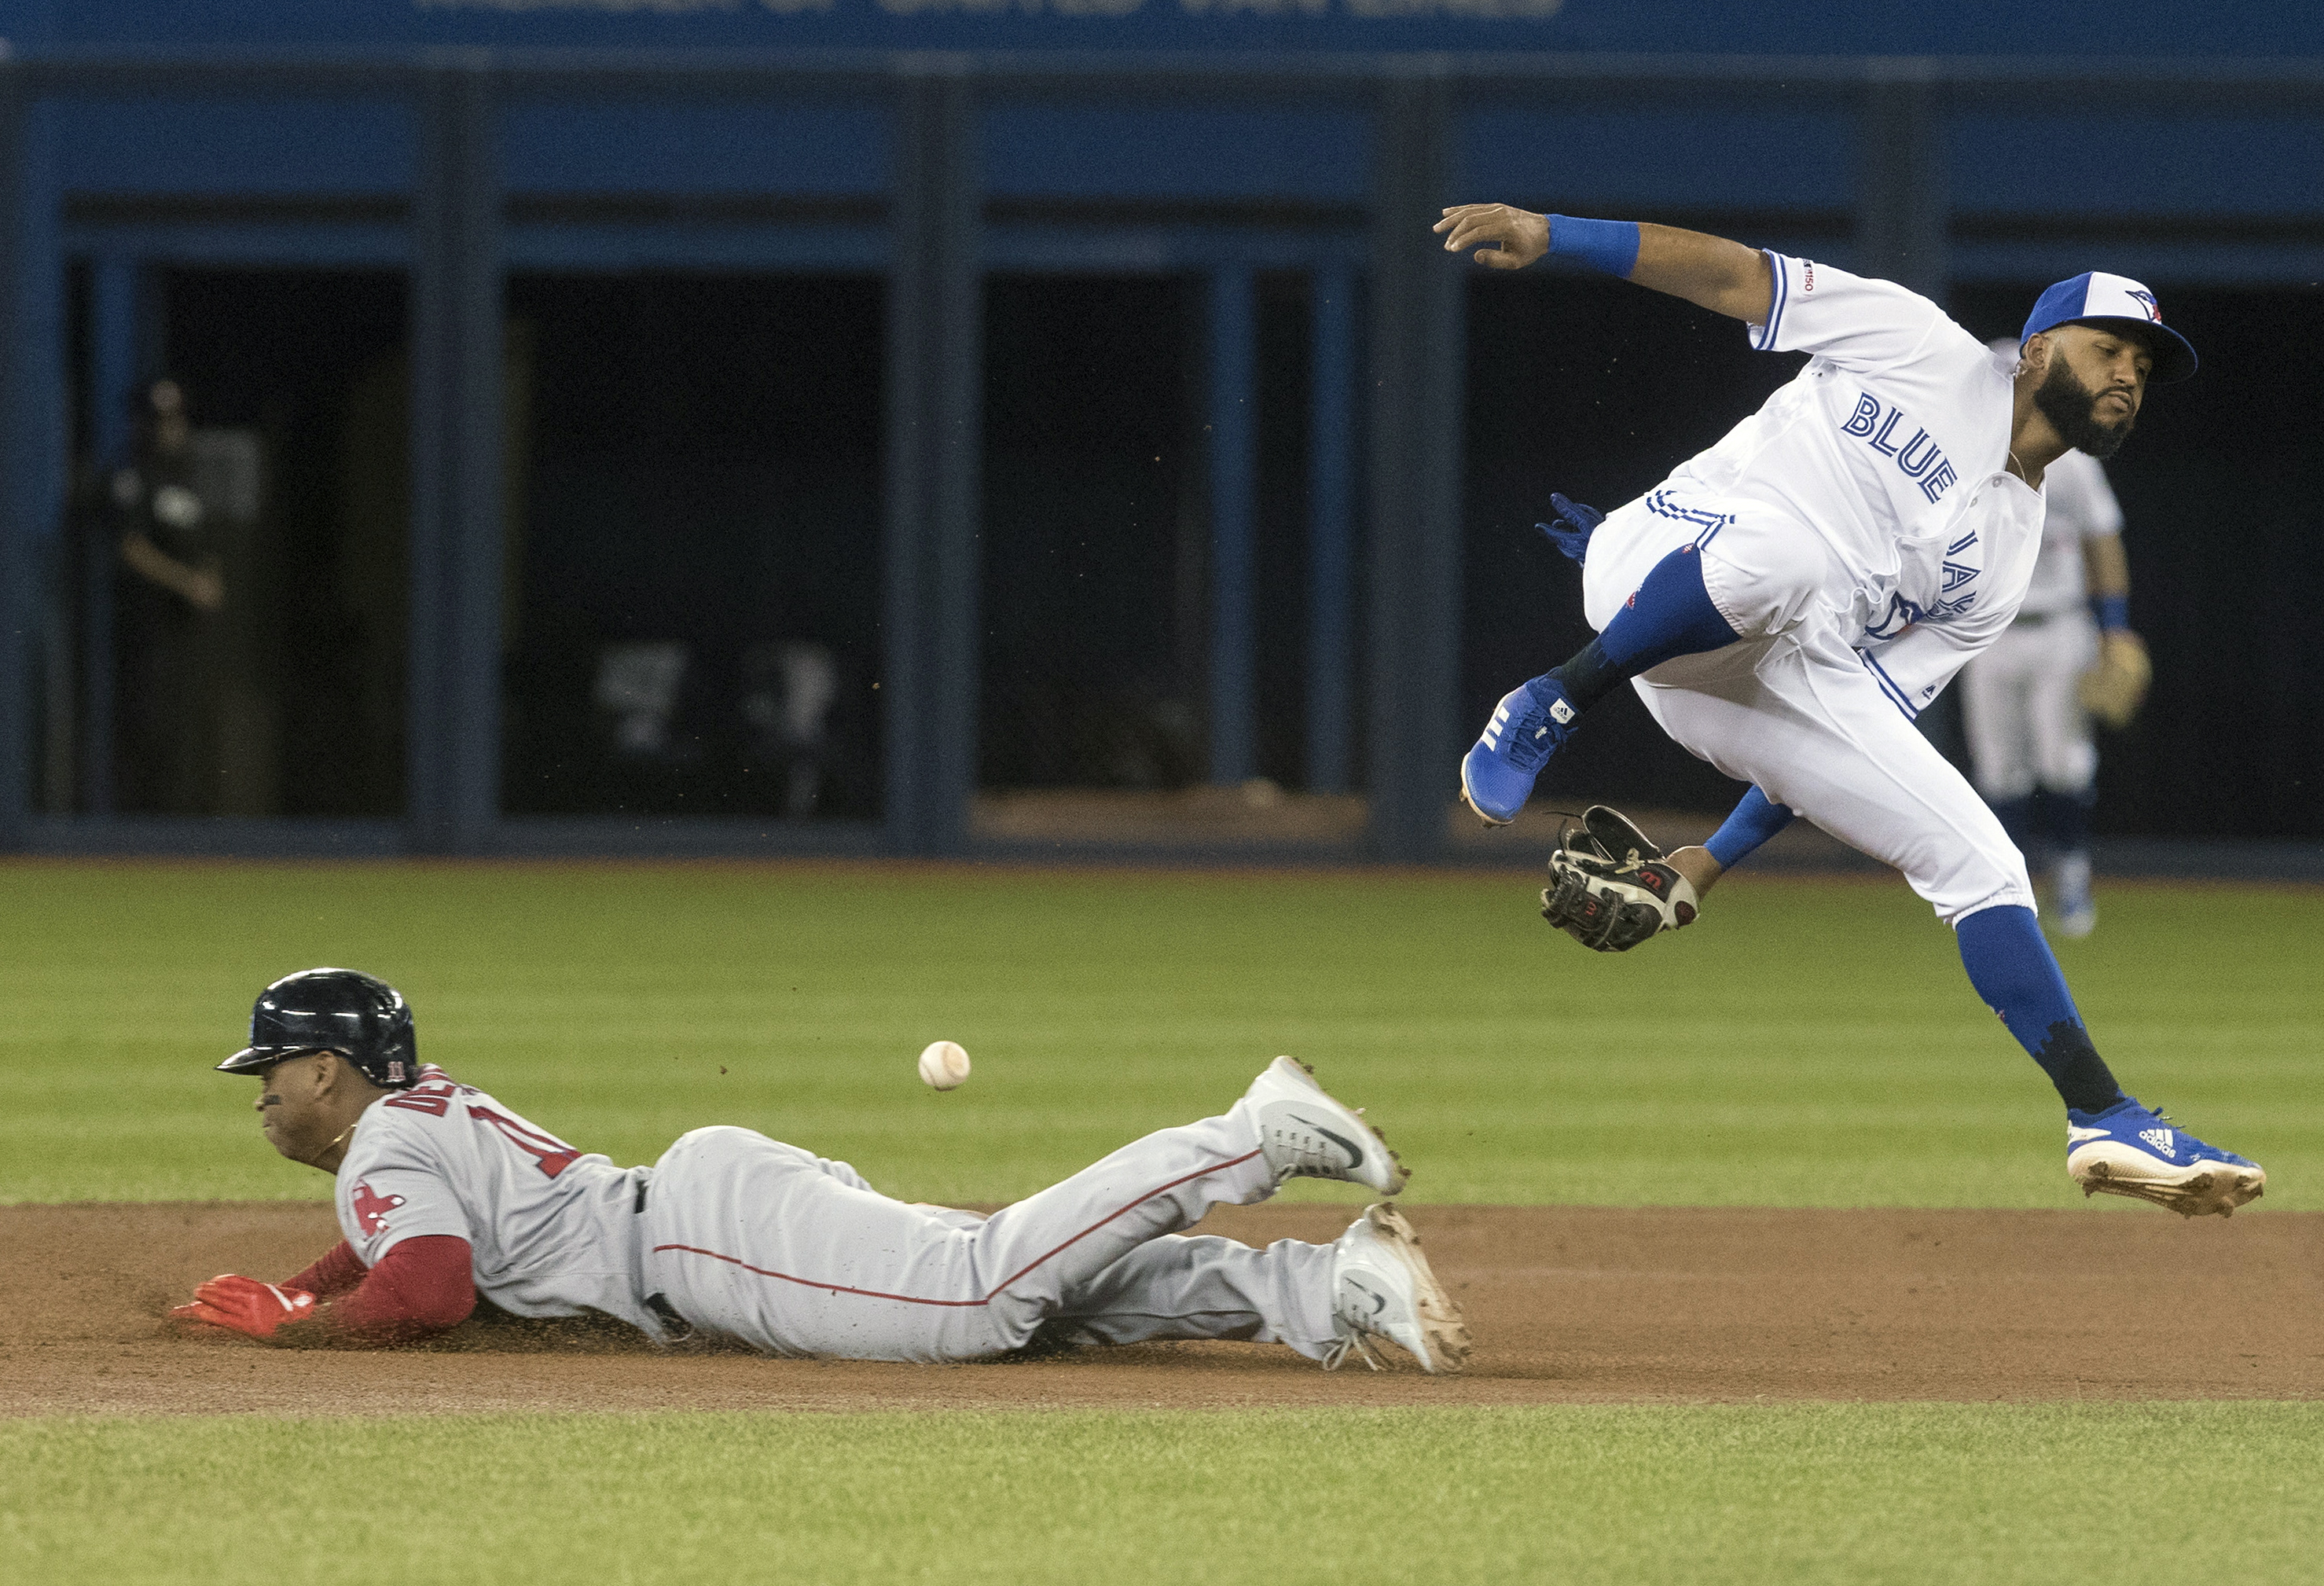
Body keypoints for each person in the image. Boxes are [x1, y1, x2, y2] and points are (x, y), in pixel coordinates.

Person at [1435, 203, 2260, 1217]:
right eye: (2108, 347)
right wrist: (1553, 234)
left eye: (2141, 365)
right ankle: (1550, 699)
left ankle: (2101, 1114)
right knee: (1786, 561)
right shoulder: (1919, 343)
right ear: (2039, 346)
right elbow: (1736, 277)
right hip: (1659, 557)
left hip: (1749, 673)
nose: (2127, 373)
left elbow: (1862, 719)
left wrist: (1708, 861)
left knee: (1982, 859)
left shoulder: (2005, 560)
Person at [170, 968, 1470, 1371]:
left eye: (272, 1069)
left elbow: (431, 1285)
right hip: (712, 1207)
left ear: (330, 1070)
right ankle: (1320, 1288)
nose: (264, 1091)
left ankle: (1240, 1140)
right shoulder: (419, 1109)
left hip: (701, 1244)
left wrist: (307, 1335)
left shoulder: (381, 1143)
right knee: (1046, 1310)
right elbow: (412, 1236)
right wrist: (306, 1286)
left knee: (977, 1298)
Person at [1958, 339, 2149, 938]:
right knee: (1999, 773)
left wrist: (2114, 628)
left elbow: (2102, 540)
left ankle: (2070, 877)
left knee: (2064, 766)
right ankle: (2006, 892)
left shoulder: (2070, 458)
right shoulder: (1967, 452)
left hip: (2060, 628)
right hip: (1986, 632)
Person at [110, 378, 225, 813]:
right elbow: (132, 548)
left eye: (178, 417)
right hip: (149, 634)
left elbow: (207, 546)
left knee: (193, 739)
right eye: (162, 420)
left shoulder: (190, 478)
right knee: (151, 737)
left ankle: (189, 829)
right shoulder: (135, 478)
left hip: (190, 637)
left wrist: (211, 577)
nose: (173, 427)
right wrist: (187, 582)